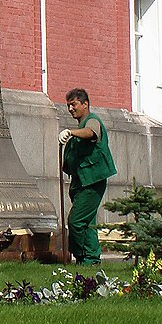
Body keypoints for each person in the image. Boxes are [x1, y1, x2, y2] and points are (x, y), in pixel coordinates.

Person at [58, 88, 117, 265]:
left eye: (74, 104)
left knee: (76, 221)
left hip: (92, 182)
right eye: (68, 105)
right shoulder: (81, 125)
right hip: (81, 182)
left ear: (85, 104)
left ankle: (84, 256)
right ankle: (89, 259)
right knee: (88, 222)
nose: (70, 109)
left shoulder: (92, 121)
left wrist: (70, 132)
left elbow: (91, 133)